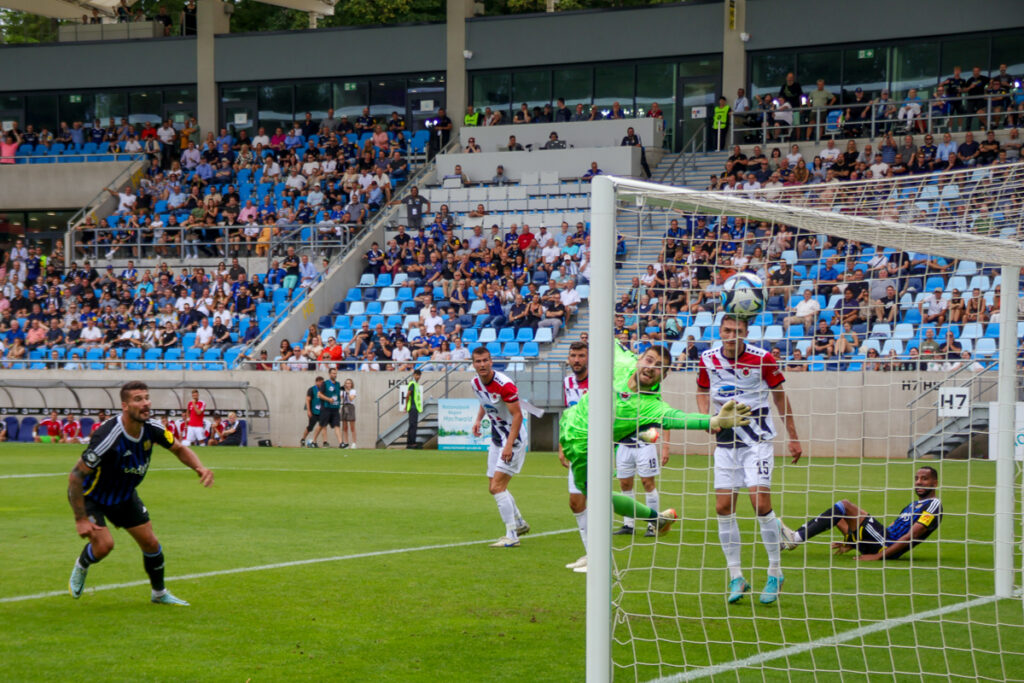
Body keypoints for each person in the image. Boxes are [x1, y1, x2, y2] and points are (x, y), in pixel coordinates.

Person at [560, 343, 752, 552]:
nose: (651, 367)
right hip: (568, 429)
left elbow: (679, 418)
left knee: (593, 498)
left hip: (587, 453)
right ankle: (658, 520)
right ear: (639, 360)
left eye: (659, 366)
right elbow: (610, 341)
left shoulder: (651, 405)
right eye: (649, 360)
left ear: (664, 376)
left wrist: (713, 421)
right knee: (593, 497)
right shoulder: (622, 364)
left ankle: (597, 554)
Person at [67, 381, 214, 606]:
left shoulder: (152, 428)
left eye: (146, 397)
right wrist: (80, 519)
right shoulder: (108, 437)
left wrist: (200, 468)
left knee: (151, 543)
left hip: (125, 495)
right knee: (104, 546)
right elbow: (76, 476)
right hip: (93, 496)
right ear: (125, 406)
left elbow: (179, 448)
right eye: (138, 399)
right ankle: (82, 565)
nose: (145, 403)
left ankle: (159, 593)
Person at [696, 315, 802, 605]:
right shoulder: (707, 358)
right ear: (720, 332)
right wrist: (708, 417)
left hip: (758, 441)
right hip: (726, 442)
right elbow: (702, 391)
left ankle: (774, 572)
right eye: (727, 330)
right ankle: (736, 577)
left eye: (738, 331)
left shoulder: (763, 358)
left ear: (746, 333)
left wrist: (793, 436)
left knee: (760, 504)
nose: (732, 335)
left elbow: (780, 397)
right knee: (722, 507)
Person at [783, 467, 942, 561]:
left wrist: (878, 557)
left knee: (845, 506)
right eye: (917, 479)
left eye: (924, 479)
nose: (919, 482)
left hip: (886, 545)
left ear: (934, 483)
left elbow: (911, 536)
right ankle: (791, 539)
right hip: (882, 539)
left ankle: (795, 538)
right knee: (837, 516)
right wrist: (853, 544)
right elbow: (893, 526)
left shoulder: (934, 505)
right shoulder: (913, 504)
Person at [471, 347, 537, 548]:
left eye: (485, 360)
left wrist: (509, 445)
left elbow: (518, 415)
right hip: (496, 439)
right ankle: (519, 523)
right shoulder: (475, 383)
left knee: (497, 487)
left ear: (491, 362)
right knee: (495, 487)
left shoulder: (505, 385)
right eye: (478, 361)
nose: (482, 365)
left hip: (512, 441)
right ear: (473, 364)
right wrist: (478, 419)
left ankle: (512, 536)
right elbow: (484, 401)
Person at [561, 341, 590, 573]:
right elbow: (568, 413)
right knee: (575, 502)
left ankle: (598, 558)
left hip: (597, 450)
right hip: (577, 450)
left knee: (596, 501)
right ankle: (592, 553)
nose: (577, 359)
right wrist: (563, 444)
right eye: (573, 355)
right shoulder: (568, 382)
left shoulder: (600, 382)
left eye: (581, 355)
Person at [317, 367, 345, 448]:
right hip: (326, 408)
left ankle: (341, 443)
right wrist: (328, 399)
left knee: (337, 426)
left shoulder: (338, 384)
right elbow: (319, 394)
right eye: (333, 373)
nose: (334, 375)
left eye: (335, 373)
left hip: (335, 408)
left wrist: (340, 400)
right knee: (323, 425)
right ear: (329, 374)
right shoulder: (325, 383)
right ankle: (320, 441)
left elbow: (337, 395)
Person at [301, 375, 325, 448]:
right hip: (313, 411)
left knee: (323, 426)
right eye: (320, 382)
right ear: (316, 382)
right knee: (310, 427)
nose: (321, 384)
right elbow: (308, 400)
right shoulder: (311, 389)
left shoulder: (324, 390)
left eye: (322, 383)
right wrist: (309, 411)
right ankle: (303, 439)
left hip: (321, 411)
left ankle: (321, 442)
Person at [405, 369, 423, 449]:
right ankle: (411, 443)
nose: (418, 377)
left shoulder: (415, 384)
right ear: (414, 375)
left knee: (412, 425)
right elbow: (408, 395)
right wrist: (406, 406)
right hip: (413, 407)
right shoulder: (413, 384)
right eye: (417, 375)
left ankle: (410, 442)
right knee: (413, 426)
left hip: (415, 407)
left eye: (419, 375)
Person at [340, 378, 357, 449]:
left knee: (352, 426)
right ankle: (346, 443)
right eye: (346, 383)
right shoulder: (342, 391)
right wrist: (342, 391)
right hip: (344, 406)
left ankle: (354, 443)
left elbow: (351, 398)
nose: (348, 384)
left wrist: (347, 392)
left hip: (350, 407)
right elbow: (340, 398)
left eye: (349, 383)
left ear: (351, 384)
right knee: (345, 427)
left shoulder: (353, 391)